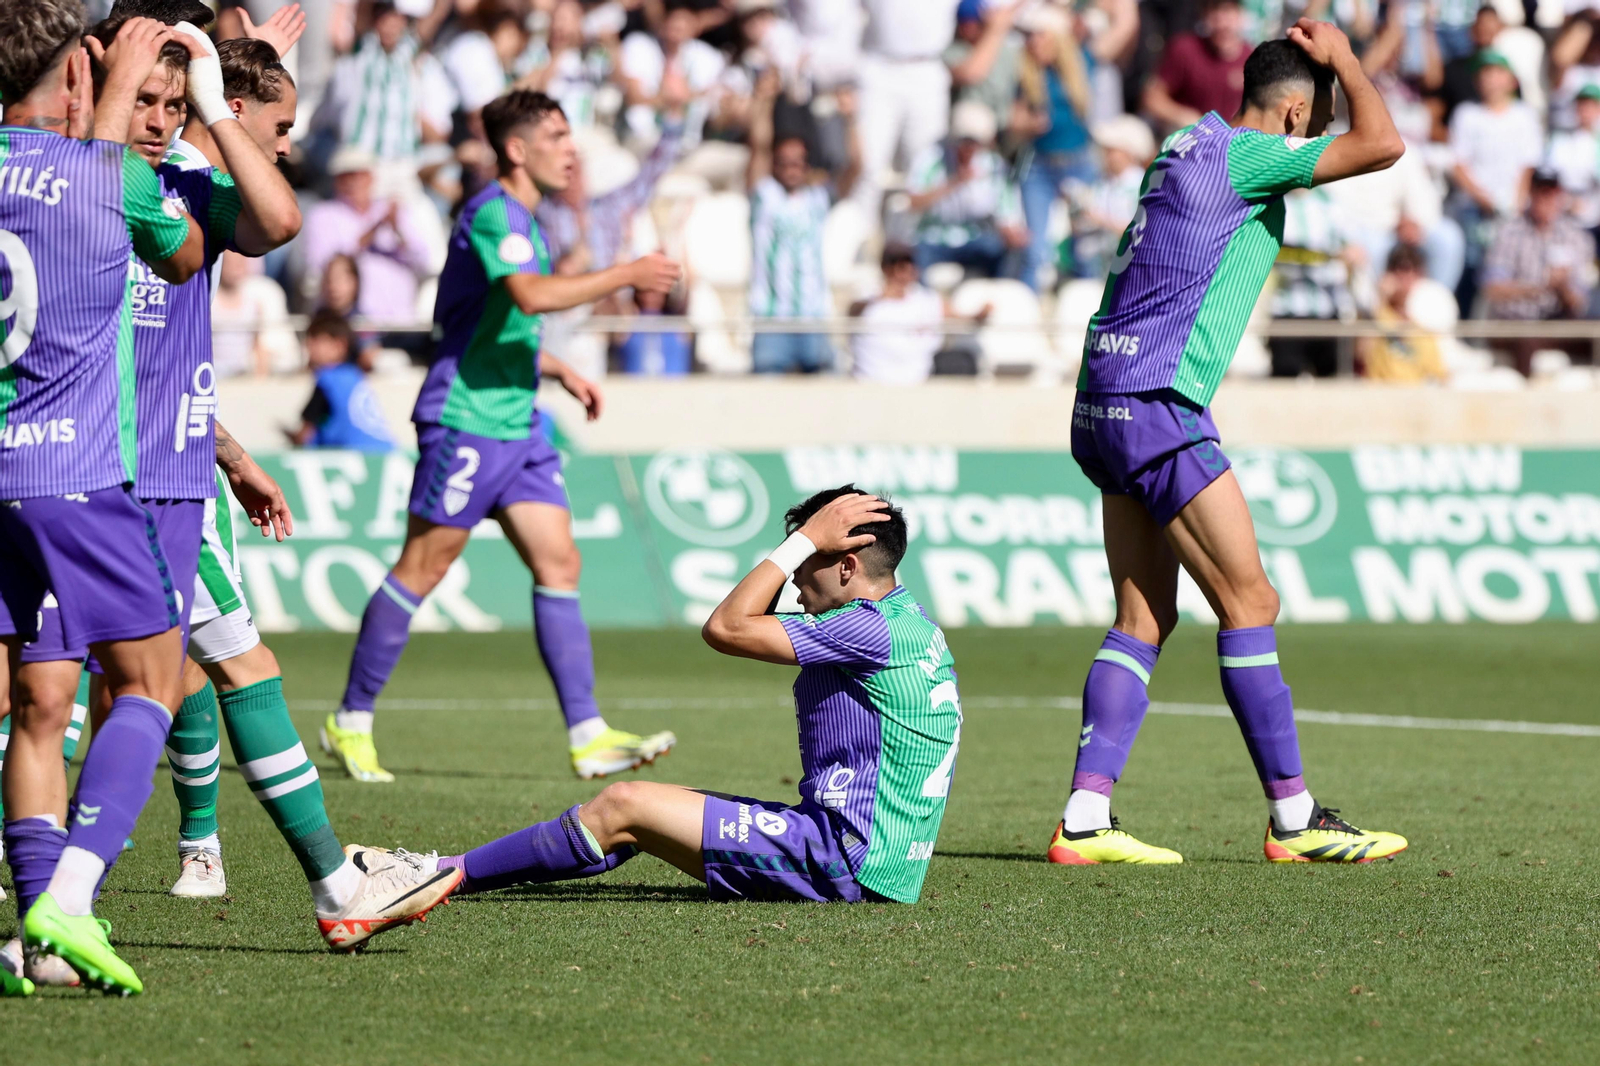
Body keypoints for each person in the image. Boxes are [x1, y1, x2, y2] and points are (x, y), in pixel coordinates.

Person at [4, 11, 462, 997]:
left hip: (150, 472)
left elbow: (271, 224)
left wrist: (229, 448)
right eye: (152, 101)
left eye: (180, 107)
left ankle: (71, 912)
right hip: (116, 481)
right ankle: (303, 882)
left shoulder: (180, 185)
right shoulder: (98, 181)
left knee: (104, 690)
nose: (161, 121)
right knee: (110, 690)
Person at [1051, 22, 1409, 867]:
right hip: (1159, 405)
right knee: (1251, 604)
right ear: (1291, 115)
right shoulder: (1252, 156)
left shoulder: (1183, 144)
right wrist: (1350, 64)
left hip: (1101, 398)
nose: (1313, 140)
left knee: (1145, 615)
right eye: (1312, 123)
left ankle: (1084, 819)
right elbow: (1384, 143)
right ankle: (1294, 820)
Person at [328, 90, 684, 784]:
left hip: (517, 421)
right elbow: (529, 296)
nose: (571, 148)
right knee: (422, 569)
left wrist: (555, 367)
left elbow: (493, 323)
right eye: (556, 135)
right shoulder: (494, 212)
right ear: (517, 149)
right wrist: (628, 273)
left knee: (560, 564)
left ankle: (586, 735)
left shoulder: (525, 218)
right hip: (465, 419)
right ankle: (352, 719)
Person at [385, 489, 962, 907]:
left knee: (624, 805)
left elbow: (727, 627)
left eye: (805, 562)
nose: (792, 580)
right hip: (871, 856)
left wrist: (803, 539)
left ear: (846, 565)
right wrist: (806, 543)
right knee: (649, 811)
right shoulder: (907, 623)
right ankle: (450, 873)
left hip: (843, 858)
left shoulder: (865, 628)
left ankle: (441, 876)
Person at [0, 3, 204, 999]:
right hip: (73, 474)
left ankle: (40, 942)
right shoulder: (108, 177)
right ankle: (72, 896)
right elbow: (185, 254)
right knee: (152, 684)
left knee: (41, 700)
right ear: (77, 73)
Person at [746, 72, 861, 373]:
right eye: (783, 163)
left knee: (824, 408)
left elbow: (855, 168)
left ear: (807, 166)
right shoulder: (765, 197)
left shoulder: (817, 199)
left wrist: (850, 119)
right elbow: (758, 147)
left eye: (798, 163)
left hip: (813, 316)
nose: (791, 170)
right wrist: (763, 103)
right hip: (771, 320)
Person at [1011, 3, 1095, 291]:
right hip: (1039, 166)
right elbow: (1012, 120)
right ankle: (1030, 304)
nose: (1032, 42)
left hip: (1079, 162)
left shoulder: (1082, 62)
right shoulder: (1025, 73)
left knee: (1084, 245)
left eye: (1040, 35)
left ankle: (1087, 304)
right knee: (1034, 248)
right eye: (1030, 36)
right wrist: (1025, 124)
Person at [1481, 170, 1596, 376]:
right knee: (1527, 339)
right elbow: (1493, 289)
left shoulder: (1576, 237)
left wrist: (1563, 287)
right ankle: (1525, 404)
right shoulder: (1509, 232)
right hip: (1515, 324)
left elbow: (1580, 301)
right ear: (1531, 194)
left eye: (1552, 192)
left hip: (1558, 323)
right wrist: (1539, 288)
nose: (1547, 199)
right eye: (1541, 192)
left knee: (1594, 330)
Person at [907, 101, 1027, 281]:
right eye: (964, 141)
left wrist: (1011, 233)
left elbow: (1007, 214)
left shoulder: (994, 167)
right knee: (914, 259)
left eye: (975, 142)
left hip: (975, 240)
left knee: (1007, 255)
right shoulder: (931, 158)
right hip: (933, 239)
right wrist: (954, 182)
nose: (968, 148)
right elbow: (913, 202)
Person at [850, 242, 989, 385]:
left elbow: (963, 316)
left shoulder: (926, 299)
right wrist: (882, 297)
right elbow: (852, 312)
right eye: (897, 264)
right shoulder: (868, 293)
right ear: (885, 268)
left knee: (963, 361)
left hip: (916, 383)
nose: (904, 270)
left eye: (908, 263)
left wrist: (982, 313)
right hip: (870, 384)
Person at [288, 312, 397, 449]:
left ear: (339, 345)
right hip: (386, 453)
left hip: (354, 457)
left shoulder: (327, 380)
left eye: (316, 339)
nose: (309, 345)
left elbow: (305, 435)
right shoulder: (355, 376)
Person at [1143, 0, 1252, 135]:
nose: (1222, 24)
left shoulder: (1252, 58)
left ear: (1240, 16)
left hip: (1230, 141)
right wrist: (1181, 115)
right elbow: (1151, 98)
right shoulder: (1185, 49)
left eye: (1228, 13)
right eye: (1215, 15)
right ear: (1204, 17)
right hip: (1186, 137)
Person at [1361, 244, 1450, 383]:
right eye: (1401, 268)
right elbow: (1362, 355)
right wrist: (1381, 299)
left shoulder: (1425, 322)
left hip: (1414, 398)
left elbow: (1439, 375)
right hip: (1379, 396)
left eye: (1414, 269)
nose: (1407, 276)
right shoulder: (1375, 313)